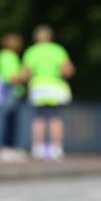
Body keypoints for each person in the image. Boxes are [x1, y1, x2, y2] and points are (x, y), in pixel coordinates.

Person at [22, 25, 75, 160]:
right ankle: (56, 149)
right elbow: (68, 70)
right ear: (50, 37)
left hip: (38, 85)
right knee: (55, 117)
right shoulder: (57, 50)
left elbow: (26, 73)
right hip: (54, 85)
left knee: (39, 117)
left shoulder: (31, 51)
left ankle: (37, 148)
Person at [0, 32, 27, 162]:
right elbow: (12, 77)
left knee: (13, 119)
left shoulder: (9, 56)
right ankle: (5, 147)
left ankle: (11, 147)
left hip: (14, 91)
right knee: (9, 119)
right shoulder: (7, 56)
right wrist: (24, 76)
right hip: (10, 90)